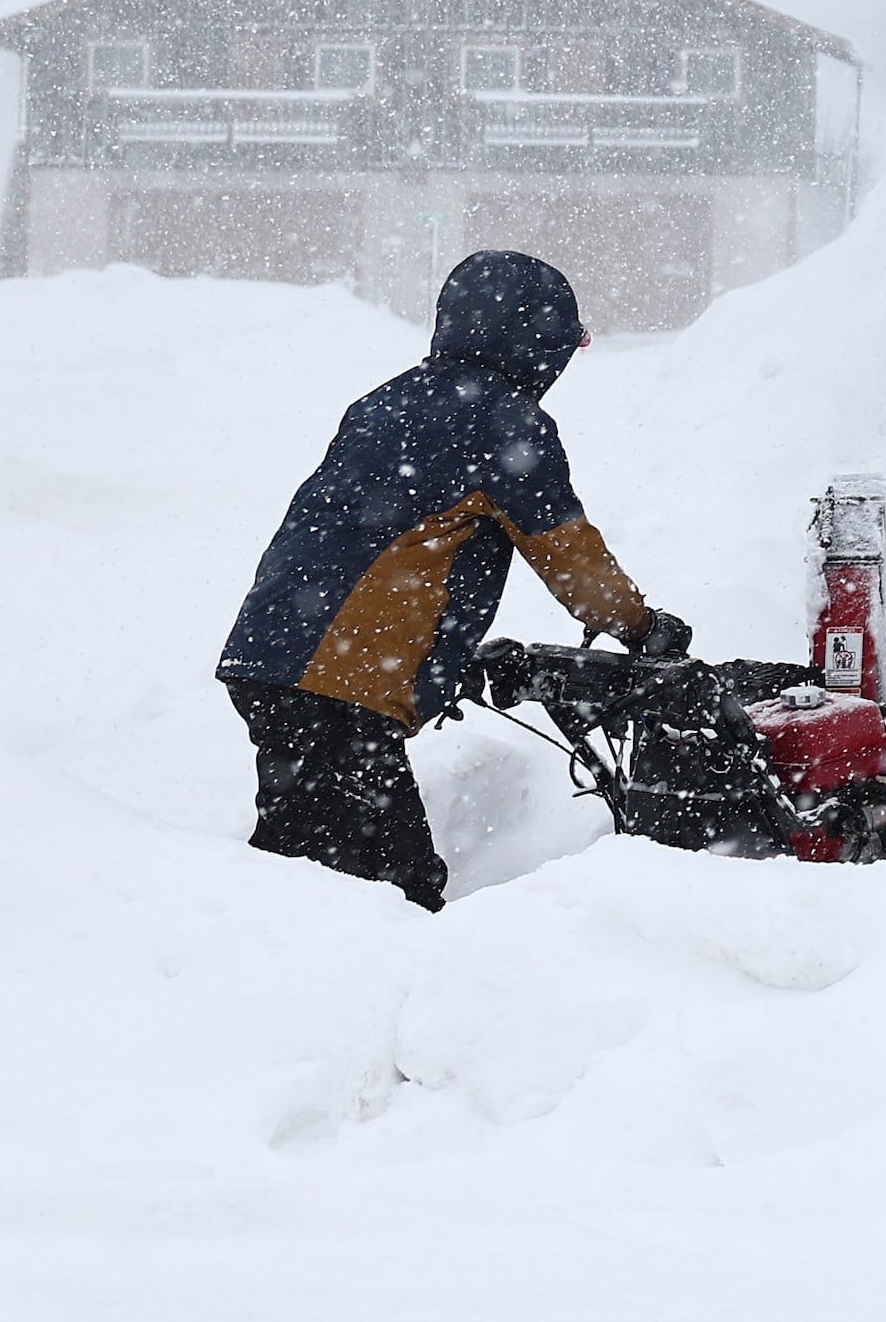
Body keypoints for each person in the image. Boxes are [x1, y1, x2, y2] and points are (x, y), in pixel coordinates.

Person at [214, 247, 684, 911]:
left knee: (317, 857)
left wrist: (437, 658)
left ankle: (253, 945)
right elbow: (568, 555)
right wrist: (641, 625)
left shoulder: (385, 400)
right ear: (534, 344)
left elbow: (372, 545)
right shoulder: (504, 420)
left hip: (273, 653)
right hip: (342, 678)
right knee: (382, 885)